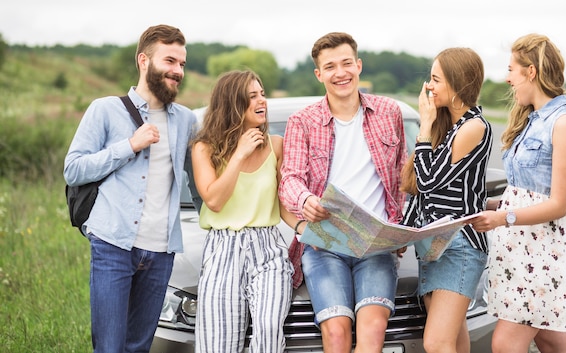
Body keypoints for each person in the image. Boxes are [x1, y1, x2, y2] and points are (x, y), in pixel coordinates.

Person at [63, 24, 197, 353]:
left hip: (162, 251)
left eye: (182, 64)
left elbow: (206, 173)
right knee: (109, 347)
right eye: (169, 61)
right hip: (113, 244)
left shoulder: (186, 120)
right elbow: (73, 169)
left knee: (139, 348)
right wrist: (130, 146)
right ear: (143, 61)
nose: (177, 71)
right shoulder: (105, 109)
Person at [278, 32, 407, 353]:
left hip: (376, 244)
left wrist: (404, 229)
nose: (341, 73)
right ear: (319, 74)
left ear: (359, 65)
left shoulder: (389, 112)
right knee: (336, 334)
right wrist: (305, 201)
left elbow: (405, 177)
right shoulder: (302, 122)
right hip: (325, 245)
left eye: (347, 63)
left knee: (373, 331)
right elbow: (290, 179)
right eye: (330, 66)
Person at [468, 34, 566, 353]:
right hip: (518, 247)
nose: (507, 78)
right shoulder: (529, 120)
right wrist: (482, 206)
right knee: (548, 337)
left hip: (546, 248)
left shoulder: (563, 125)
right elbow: (522, 193)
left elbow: (558, 204)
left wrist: (502, 217)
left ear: (530, 72)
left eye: (511, 70)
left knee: (505, 343)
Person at [191, 70, 295, 352]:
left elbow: (285, 206)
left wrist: (316, 234)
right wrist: (239, 154)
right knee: (217, 344)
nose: (262, 100)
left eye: (262, 93)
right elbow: (214, 200)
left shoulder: (276, 145)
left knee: (270, 336)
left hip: (268, 248)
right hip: (223, 249)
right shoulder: (204, 148)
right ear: (232, 104)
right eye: (252, 96)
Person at [399, 47, 493, 353]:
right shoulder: (445, 128)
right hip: (431, 248)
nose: (429, 86)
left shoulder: (474, 128)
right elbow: (420, 194)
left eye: (436, 79)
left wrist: (424, 126)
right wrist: (401, 231)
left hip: (459, 247)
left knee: (437, 343)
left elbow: (429, 180)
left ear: (458, 84)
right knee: (454, 342)